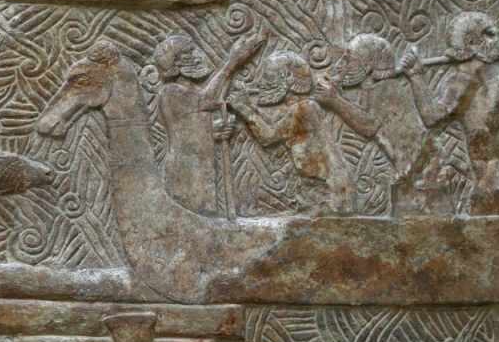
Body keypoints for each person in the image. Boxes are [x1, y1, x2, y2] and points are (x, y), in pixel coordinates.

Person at [401, 11, 499, 216]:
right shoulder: (464, 82)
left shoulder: (498, 77)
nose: (498, 40)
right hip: (489, 181)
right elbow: (431, 117)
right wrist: (416, 77)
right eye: (490, 34)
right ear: (472, 42)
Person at [313, 32, 445, 215]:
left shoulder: (386, 88)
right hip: (411, 173)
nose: (340, 64)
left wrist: (335, 100)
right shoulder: (374, 90)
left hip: (423, 173)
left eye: (348, 59)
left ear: (367, 67)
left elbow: (369, 125)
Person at [150, 32, 265, 216]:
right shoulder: (170, 92)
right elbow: (208, 100)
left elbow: (192, 129)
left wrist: (214, 130)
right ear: (176, 63)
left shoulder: (190, 91)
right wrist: (233, 61)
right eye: (189, 52)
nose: (197, 56)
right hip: (186, 171)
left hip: (201, 168)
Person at [232, 50, 354, 215]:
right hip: (320, 187)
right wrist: (249, 106)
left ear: (288, 80)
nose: (261, 83)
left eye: (268, 77)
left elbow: (268, 136)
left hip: (329, 193)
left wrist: (243, 108)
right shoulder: (301, 107)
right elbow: (276, 127)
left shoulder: (304, 109)